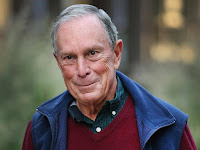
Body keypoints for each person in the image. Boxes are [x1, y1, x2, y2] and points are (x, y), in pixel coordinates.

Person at [22, 4, 197, 150]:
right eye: (69, 58)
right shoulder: (42, 129)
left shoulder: (169, 127)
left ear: (116, 54)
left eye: (92, 53)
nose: (82, 70)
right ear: (58, 62)